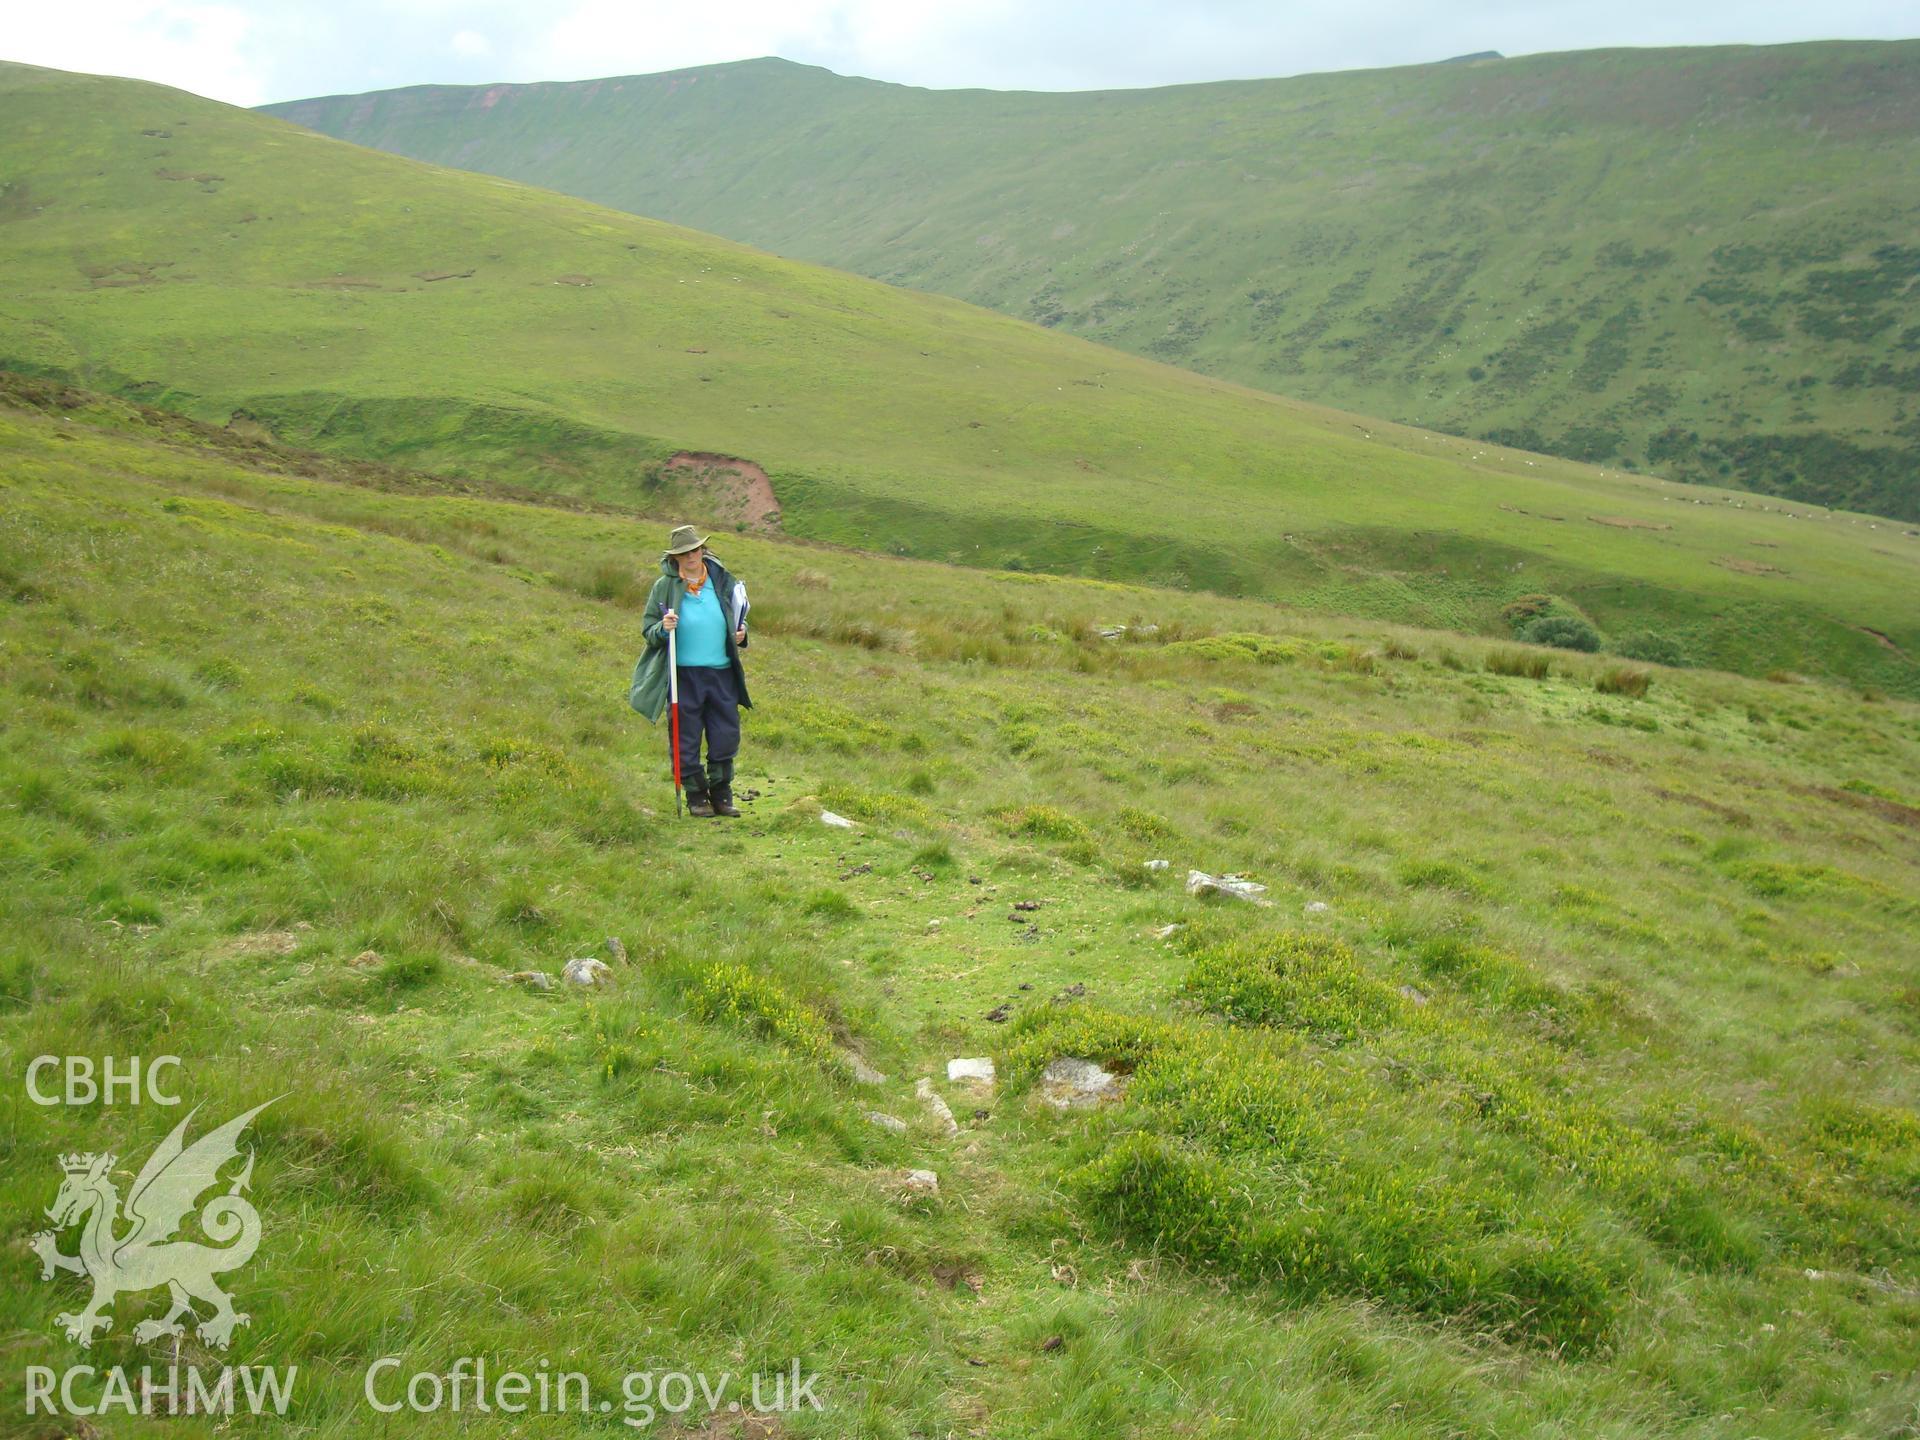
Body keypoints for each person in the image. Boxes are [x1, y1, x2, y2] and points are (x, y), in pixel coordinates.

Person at [629, 525, 753, 817]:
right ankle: (697, 797)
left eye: (694, 550)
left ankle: (722, 795)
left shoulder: (723, 580)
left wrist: (742, 633)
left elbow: (739, 617)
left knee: (725, 734)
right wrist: (664, 628)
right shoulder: (664, 586)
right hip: (683, 675)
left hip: (722, 673)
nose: (690, 557)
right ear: (674, 558)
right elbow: (649, 629)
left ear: (703, 550)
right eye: (683, 553)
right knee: (686, 736)